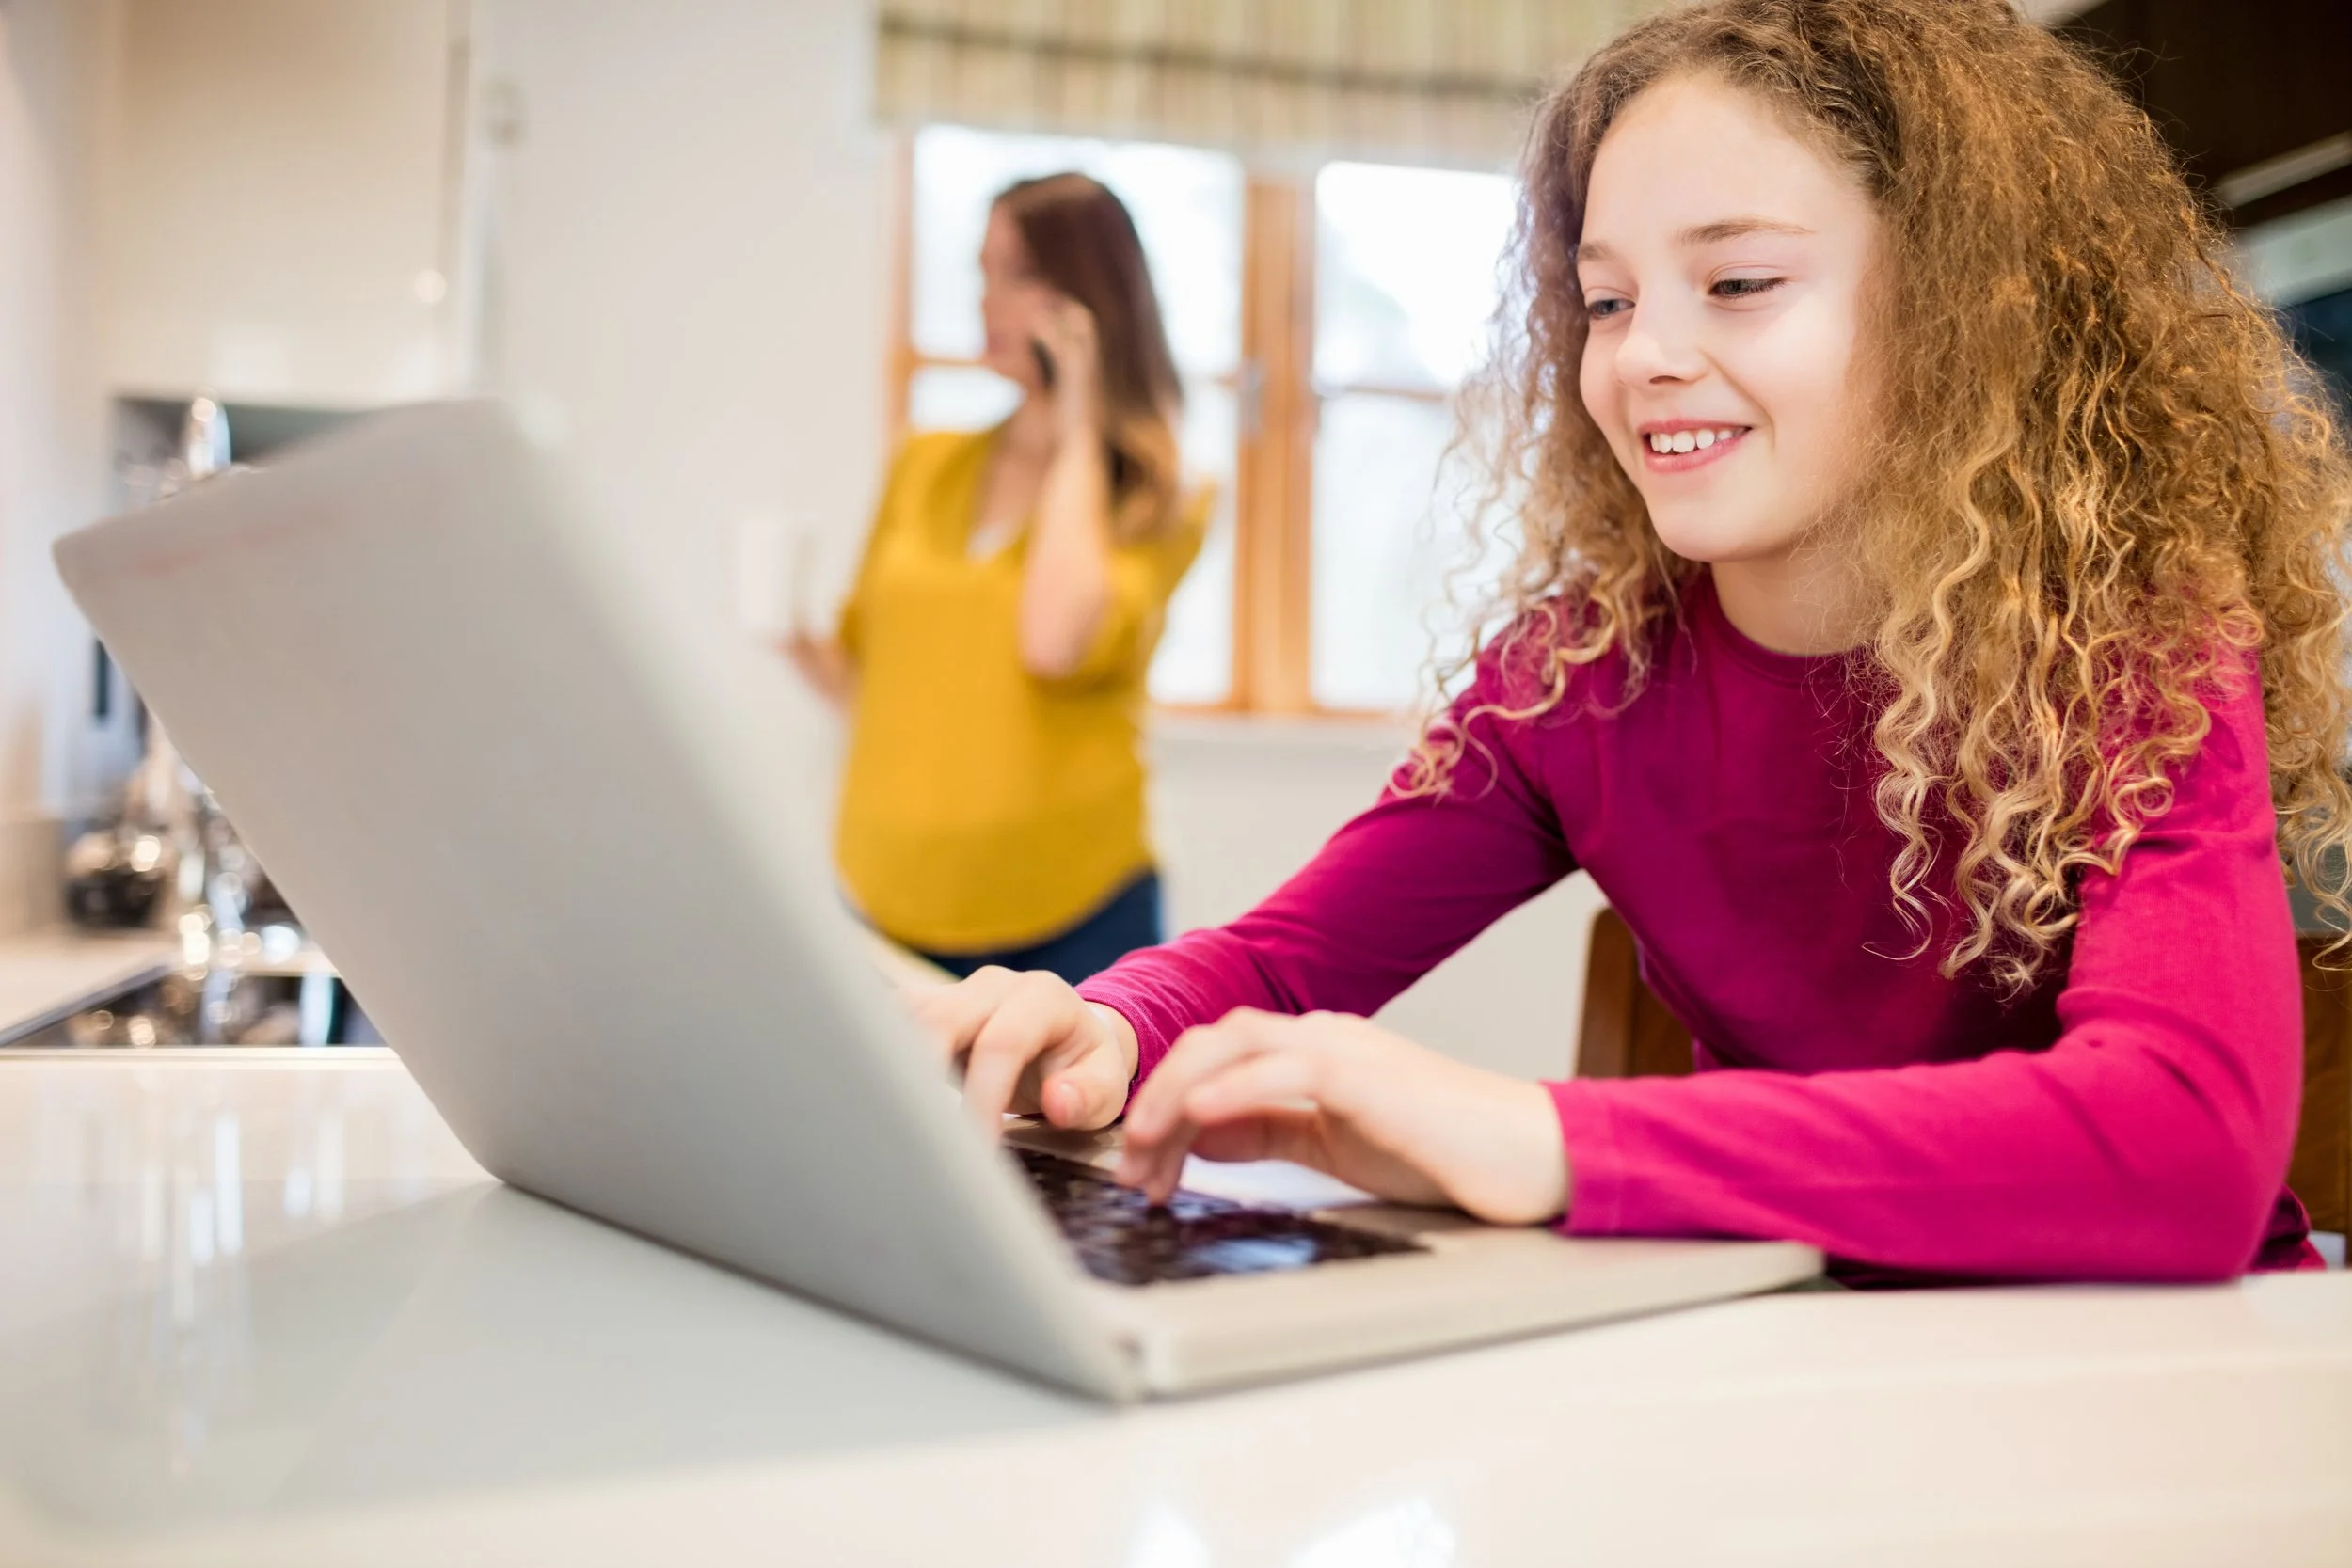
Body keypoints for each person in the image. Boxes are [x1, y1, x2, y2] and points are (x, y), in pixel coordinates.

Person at [912, 0, 2352, 1283]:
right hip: (1794, 1353)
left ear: (1960, 315)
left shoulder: (2133, 649)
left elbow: (2186, 1146)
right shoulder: (1577, 674)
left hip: (2144, 1376)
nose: (1645, 354)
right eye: (1608, 299)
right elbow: (1282, 963)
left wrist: (1544, 1133)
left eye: (1737, 284)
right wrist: (1102, 1021)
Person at [787, 174, 1209, 985]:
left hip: (1077, 910)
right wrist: (788, 634)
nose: (989, 302)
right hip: (886, 897)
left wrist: (1081, 417)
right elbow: (863, 683)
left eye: (1018, 275)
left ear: (1091, 296)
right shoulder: (926, 464)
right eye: (982, 273)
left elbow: (1052, 641)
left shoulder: (1158, 494)